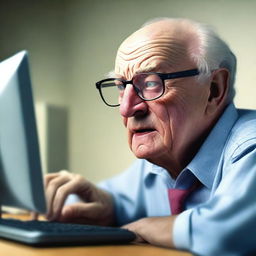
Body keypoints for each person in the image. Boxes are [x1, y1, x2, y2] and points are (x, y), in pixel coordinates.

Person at [42, 18, 256, 255]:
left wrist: (142, 227)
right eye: (121, 86)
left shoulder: (249, 147)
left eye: (152, 82)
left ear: (214, 89)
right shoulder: (159, 161)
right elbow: (115, 201)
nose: (126, 108)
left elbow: (222, 235)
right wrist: (105, 206)